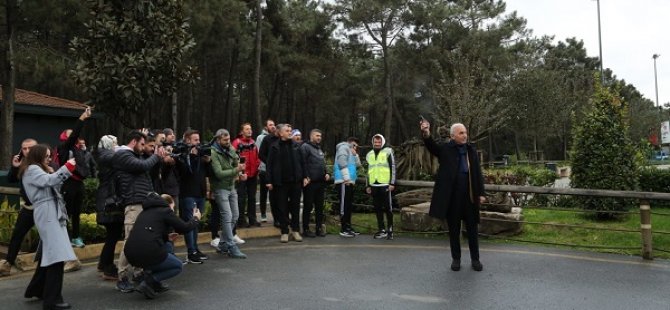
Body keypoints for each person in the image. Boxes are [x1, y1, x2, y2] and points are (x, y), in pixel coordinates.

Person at [420, 121, 486, 272]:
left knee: (472, 230)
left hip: (469, 197)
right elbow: (431, 146)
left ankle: (475, 259)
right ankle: (456, 259)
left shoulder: (471, 149)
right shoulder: (445, 149)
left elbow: (477, 173)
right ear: (452, 136)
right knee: (454, 231)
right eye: (461, 133)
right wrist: (426, 132)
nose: (465, 136)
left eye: (465, 133)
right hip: (452, 198)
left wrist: (481, 193)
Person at [21, 144, 77, 310]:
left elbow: (52, 184)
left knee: (50, 253)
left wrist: (57, 172)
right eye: (46, 156)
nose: (49, 158)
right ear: (38, 156)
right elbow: (49, 182)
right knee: (56, 256)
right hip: (47, 213)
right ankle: (52, 300)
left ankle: (37, 289)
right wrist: (66, 168)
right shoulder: (32, 169)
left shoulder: (37, 169)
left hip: (50, 212)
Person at [113, 130, 164, 292]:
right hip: (134, 204)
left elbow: (149, 172)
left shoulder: (136, 156)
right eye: (142, 144)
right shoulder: (123, 155)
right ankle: (122, 276)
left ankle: (138, 272)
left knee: (142, 241)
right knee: (130, 241)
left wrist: (156, 156)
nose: (144, 148)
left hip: (143, 202)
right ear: (133, 142)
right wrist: (155, 156)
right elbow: (143, 166)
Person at [124, 192, 201, 299]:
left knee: (159, 252)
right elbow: (185, 228)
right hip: (148, 252)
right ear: (169, 204)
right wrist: (196, 218)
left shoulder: (144, 213)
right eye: (173, 207)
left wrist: (166, 238)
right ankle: (149, 281)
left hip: (131, 254)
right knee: (177, 266)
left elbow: (148, 233)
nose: (173, 210)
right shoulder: (165, 211)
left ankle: (152, 280)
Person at [0, 138, 37, 277]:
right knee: (17, 235)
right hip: (28, 208)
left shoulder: (44, 161)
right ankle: (7, 264)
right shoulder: (22, 163)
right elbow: (11, 179)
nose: (27, 151)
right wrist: (15, 166)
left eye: (30, 148)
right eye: (24, 148)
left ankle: (69, 259)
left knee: (53, 234)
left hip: (43, 207)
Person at [57, 108, 92, 248]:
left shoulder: (78, 149)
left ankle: (76, 237)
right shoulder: (63, 148)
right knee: (67, 213)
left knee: (77, 212)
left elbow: (85, 165)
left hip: (79, 183)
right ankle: (64, 238)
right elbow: (74, 136)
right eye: (70, 134)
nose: (74, 136)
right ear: (65, 138)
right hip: (68, 183)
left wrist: (84, 151)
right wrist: (82, 118)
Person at [266, 124, 307, 243]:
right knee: (282, 207)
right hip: (280, 183)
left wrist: (305, 176)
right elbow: (269, 165)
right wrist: (269, 181)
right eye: (287, 131)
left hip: (295, 182)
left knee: (295, 207)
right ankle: (284, 231)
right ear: (280, 133)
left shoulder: (296, 146)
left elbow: (302, 162)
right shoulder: (274, 147)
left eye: (290, 130)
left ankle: (295, 230)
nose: (290, 132)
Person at [210, 129, 247, 258]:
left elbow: (236, 162)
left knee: (235, 216)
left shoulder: (229, 148)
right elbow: (219, 173)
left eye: (229, 139)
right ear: (218, 139)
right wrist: (236, 170)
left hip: (231, 187)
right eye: (225, 140)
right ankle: (231, 245)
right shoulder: (213, 152)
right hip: (220, 188)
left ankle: (222, 243)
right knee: (227, 216)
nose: (228, 142)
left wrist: (241, 174)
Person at [175, 129, 210, 264]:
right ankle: (191, 252)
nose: (198, 143)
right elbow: (185, 173)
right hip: (188, 193)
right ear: (188, 140)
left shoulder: (201, 154)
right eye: (195, 140)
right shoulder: (182, 155)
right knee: (190, 223)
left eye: (199, 140)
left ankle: (195, 248)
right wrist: (192, 156)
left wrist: (207, 160)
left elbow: (206, 173)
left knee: (196, 223)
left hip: (200, 193)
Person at [94, 135, 123, 281]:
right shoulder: (107, 156)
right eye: (115, 143)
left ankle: (104, 263)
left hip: (106, 198)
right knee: (113, 234)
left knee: (112, 234)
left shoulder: (103, 155)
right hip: (109, 200)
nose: (117, 146)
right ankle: (108, 267)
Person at [365, 134, 397, 240]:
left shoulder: (388, 151)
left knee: (388, 208)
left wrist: (392, 183)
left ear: (382, 142)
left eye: (379, 142)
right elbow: (368, 170)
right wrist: (367, 185)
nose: (377, 144)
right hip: (374, 185)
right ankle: (381, 230)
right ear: (373, 142)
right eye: (375, 142)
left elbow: (393, 167)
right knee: (377, 208)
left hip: (385, 185)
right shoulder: (369, 154)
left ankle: (390, 230)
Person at [300, 129, 329, 237]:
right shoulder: (305, 147)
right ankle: (306, 229)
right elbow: (303, 163)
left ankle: (318, 228)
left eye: (320, 136)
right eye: (317, 136)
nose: (319, 138)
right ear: (311, 136)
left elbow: (322, 163)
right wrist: (305, 176)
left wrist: (326, 173)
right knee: (308, 206)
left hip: (320, 182)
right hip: (310, 182)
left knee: (319, 207)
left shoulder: (319, 149)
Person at [232, 123, 261, 228]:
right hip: (242, 175)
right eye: (247, 129)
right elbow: (233, 159)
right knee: (241, 198)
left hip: (253, 175)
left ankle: (252, 219)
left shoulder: (253, 143)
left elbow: (257, 157)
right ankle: (241, 220)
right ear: (241, 132)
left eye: (250, 129)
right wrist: (238, 173)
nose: (250, 131)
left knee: (252, 198)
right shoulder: (236, 143)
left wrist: (257, 169)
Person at [333, 137, 362, 238]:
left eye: (356, 146)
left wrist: (355, 155)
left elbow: (358, 165)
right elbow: (341, 162)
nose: (355, 147)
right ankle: (343, 228)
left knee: (348, 206)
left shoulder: (351, 152)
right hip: (343, 181)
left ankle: (348, 227)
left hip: (350, 182)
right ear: (349, 143)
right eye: (354, 145)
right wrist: (346, 178)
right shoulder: (343, 147)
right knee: (344, 206)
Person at [256, 119, 277, 225]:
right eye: (270, 125)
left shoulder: (276, 137)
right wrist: (268, 163)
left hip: (274, 171)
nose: (273, 126)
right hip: (264, 169)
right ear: (266, 127)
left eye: (274, 124)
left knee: (274, 194)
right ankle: (263, 214)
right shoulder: (261, 138)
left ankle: (275, 216)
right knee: (263, 194)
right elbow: (260, 153)